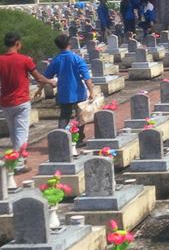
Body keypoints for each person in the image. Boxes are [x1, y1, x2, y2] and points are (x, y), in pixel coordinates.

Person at [0, 32, 55, 171]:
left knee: (13, 133)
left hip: (6, 102)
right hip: (21, 101)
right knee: (21, 133)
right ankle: (19, 164)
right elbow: (38, 78)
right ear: (17, 44)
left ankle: (14, 159)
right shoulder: (24, 59)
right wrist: (50, 82)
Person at [44, 34, 97, 148]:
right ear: (69, 44)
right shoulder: (76, 58)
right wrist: (91, 91)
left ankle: (61, 139)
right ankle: (78, 139)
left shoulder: (56, 60)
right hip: (78, 92)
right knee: (80, 116)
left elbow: (46, 76)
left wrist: (47, 85)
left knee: (64, 117)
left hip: (64, 93)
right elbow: (86, 77)